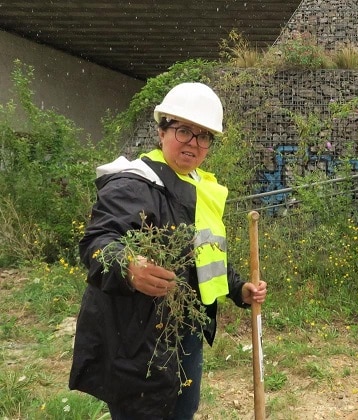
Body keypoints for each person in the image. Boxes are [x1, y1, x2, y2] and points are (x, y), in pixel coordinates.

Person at [69, 82, 267, 419]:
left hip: (186, 329)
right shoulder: (132, 184)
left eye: (203, 136)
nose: (194, 143)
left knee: (182, 410)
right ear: (162, 132)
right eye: (184, 131)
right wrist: (129, 267)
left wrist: (238, 288)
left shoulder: (201, 187)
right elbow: (96, 243)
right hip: (136, 337)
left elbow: (207, 255)